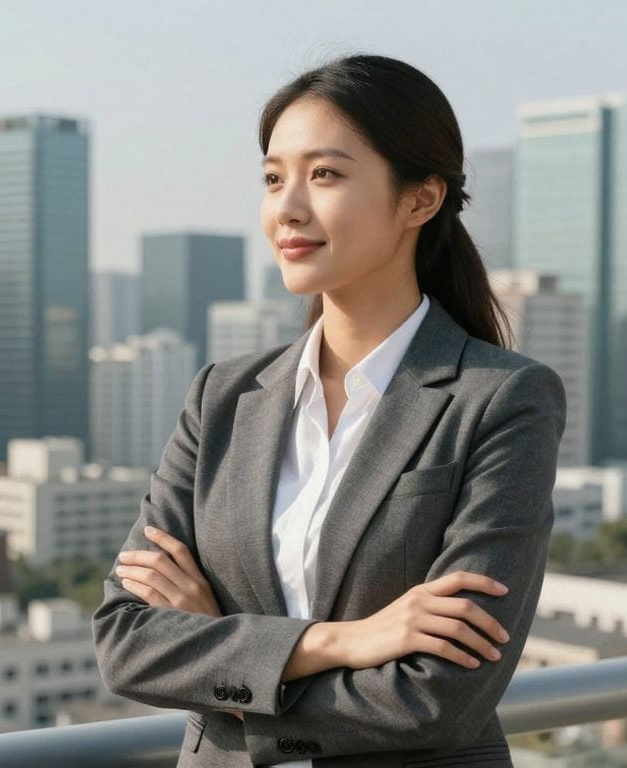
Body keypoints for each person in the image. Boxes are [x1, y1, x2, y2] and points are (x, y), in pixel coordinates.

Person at [91, 53, 566, 768]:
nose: (287, 207)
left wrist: (225, 656)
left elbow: (439, 697)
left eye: (326, 174)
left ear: (420, 200)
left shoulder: (500, 399)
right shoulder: (223, 396)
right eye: (274, 177)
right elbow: (126, 641)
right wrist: (342, 640)